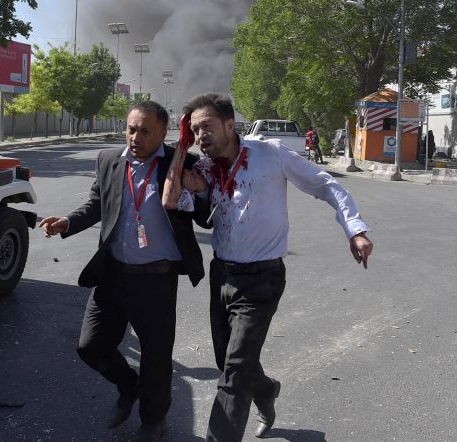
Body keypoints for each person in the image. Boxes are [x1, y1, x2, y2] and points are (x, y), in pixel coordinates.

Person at [173, 94, 373, 442]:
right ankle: (266, 391)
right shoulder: (204, 169)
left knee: (234, 372)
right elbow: (175, 200)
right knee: (228, 361)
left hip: (261, 279)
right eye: (195, 130)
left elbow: (326, 184)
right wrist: (180, 150)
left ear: (230, 125)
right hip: (222, 275)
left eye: (207, 127)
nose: (200, 135)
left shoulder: (271, 154)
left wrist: (354, 229)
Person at [37, 100, 206, 442]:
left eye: (145, 131)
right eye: (131, 129)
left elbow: (205, 214)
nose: (135, 137)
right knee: (90, 346)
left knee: (156, 358)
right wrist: (67, 222)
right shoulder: (109, 160)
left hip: (157, 280)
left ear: (163, 132)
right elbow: (98, 204)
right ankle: (129, 386)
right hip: (113, 274)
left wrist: (192, 188)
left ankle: (153, 421)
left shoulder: (183, 163)